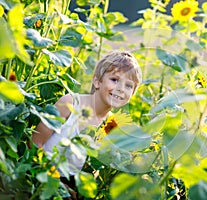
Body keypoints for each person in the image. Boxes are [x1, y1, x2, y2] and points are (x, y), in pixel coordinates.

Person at [32, 50, 142, 197]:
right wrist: (56, 183)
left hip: (73, 188)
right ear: (97, 81)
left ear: (132, 94)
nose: (121, 89)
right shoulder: (70, 103)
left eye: (128, 85)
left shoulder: (112, 126)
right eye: (114, 80)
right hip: (40, 176)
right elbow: (34, 144)